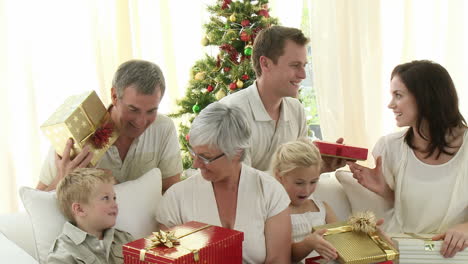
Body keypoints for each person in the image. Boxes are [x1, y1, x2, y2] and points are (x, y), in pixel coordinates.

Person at [347, 60, 468, 258]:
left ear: (426, 98)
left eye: (398, 95)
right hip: (404, 250)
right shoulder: (389, 147)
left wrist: (466, 228)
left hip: (454, 254)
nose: (390, 104)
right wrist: (384, 190)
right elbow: (413, 211)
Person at [156, 102, 291, 264]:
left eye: (206, 157)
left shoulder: (270, 191)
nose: (196, 164)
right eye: (193, 153)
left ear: (236, 152)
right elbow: (163, 259)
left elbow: (278, 260)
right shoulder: (176, 198)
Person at [37, 60, 183, 192]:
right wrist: (62, 179)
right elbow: (36, 203)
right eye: (133, 109)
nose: (141, 121)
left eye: (151, 111)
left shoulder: (163, 128)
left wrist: (119, 187)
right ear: (114, 96)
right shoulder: (76, 132)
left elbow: (171, 194)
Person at [220, 25, 345, 173]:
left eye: (304, 65)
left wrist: (321, 167)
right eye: (295, 65)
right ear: (265, 63)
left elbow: (297, 175)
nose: (303, 75)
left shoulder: (295, 109)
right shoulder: (231, 114)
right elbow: (241, 185)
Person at [47, 168, 134, 264]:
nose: (114, 204)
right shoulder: (63, 253)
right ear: (79, 209)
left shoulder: (125, 238)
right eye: (105, 198)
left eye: (114, 198)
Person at [272, 138, 338, 263]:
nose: (307, 190)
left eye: (313, 182)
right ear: (279, 177)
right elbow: (284, 257)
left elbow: (341, 241)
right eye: (299, 183)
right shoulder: (277, 212)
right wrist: (308, 244)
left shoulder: (322, 208)